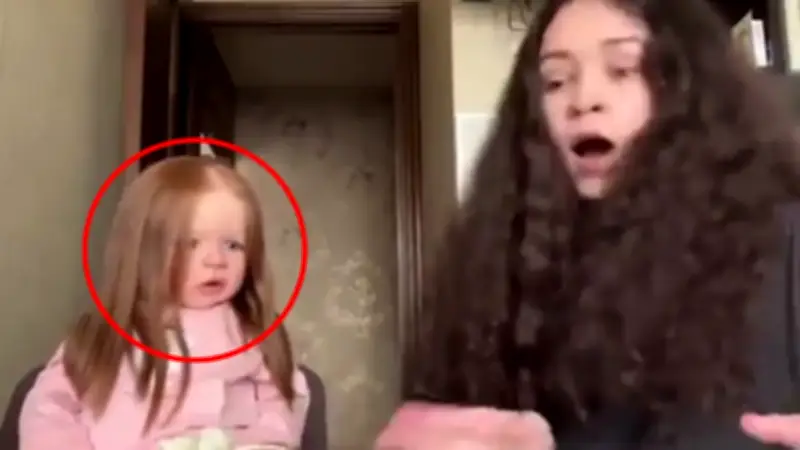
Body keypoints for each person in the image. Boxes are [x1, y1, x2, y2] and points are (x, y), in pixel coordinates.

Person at [377, 0, 800, 448]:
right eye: (556, 81)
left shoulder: (784, 246)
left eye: (623, 69)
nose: (583, 101)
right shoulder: (502, 291)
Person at [19, 157, 309, 449]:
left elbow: (283, 403)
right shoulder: (99, 336)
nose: (216, 260)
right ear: (144, 249)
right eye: (191, 243)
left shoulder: (252, 333)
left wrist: (262, 443)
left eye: (232, 245)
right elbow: (49, 410)